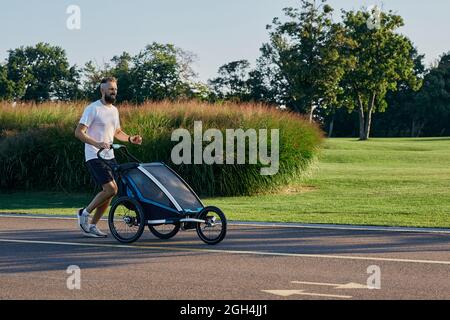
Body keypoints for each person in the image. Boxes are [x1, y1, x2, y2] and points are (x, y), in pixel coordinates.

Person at [74, 77, 142, 237]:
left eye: (115, 89)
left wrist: (131, 138)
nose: (114, 92)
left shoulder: (114, 110)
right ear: (102, 90)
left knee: (111, 192)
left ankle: (92, 225)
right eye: (111, 89)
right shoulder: (93, 109)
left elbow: (117, 132)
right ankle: (84, 213)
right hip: (94, 155)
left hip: (109, 156)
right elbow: (78, 132)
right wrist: (96, 143)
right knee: (111, 188)